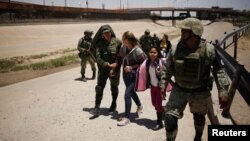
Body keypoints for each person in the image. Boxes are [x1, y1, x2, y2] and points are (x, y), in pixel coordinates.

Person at [159, 18, 230, 141]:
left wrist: (223, 91)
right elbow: (167, 68)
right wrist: (163, 83)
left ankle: (198, 136)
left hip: (200, 91)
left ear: (194, 32)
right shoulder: (175, 49)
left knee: (199, 118)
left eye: (184, 31)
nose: (181, 33)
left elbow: (219, 70)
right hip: (179, 90)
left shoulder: (209, 50)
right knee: (169, 119)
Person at [90, 25, 122, 118]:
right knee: (99, 87)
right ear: (102, 34)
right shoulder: (100, 43)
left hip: (115, 69)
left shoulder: (117, 42)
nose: (107, 34)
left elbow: (120, 55)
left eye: (108, 32)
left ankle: (113, 103)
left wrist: (115, 66)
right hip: (103, 68)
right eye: (104, 33)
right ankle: (96, 107)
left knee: (114, 87)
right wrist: (107, 64)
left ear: (111, 32)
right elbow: (98, 57)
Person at [135, 46, 171, 130]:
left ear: (158, 54)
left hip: (160, 87)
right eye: (151, 52)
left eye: (154, 52)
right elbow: (140, 69)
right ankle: (163, 111)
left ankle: (159, 123)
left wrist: (164, 87)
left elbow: (168, 70)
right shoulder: (147, 63)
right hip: (153, 87)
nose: (152, 54)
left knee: (158, 104)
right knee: (154, 103)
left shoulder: (161, 62)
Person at [117, 31, 147, 126]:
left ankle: (127, 118)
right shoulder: (123, 47)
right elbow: (119, 57)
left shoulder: (138, 51)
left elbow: (144, 64)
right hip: (125, 75)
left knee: (127, 95)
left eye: (124, 39)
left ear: (129, 40)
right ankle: (139, 106)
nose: (122, 41)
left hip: (134, 75)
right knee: (131, 92)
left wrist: (132, 67)